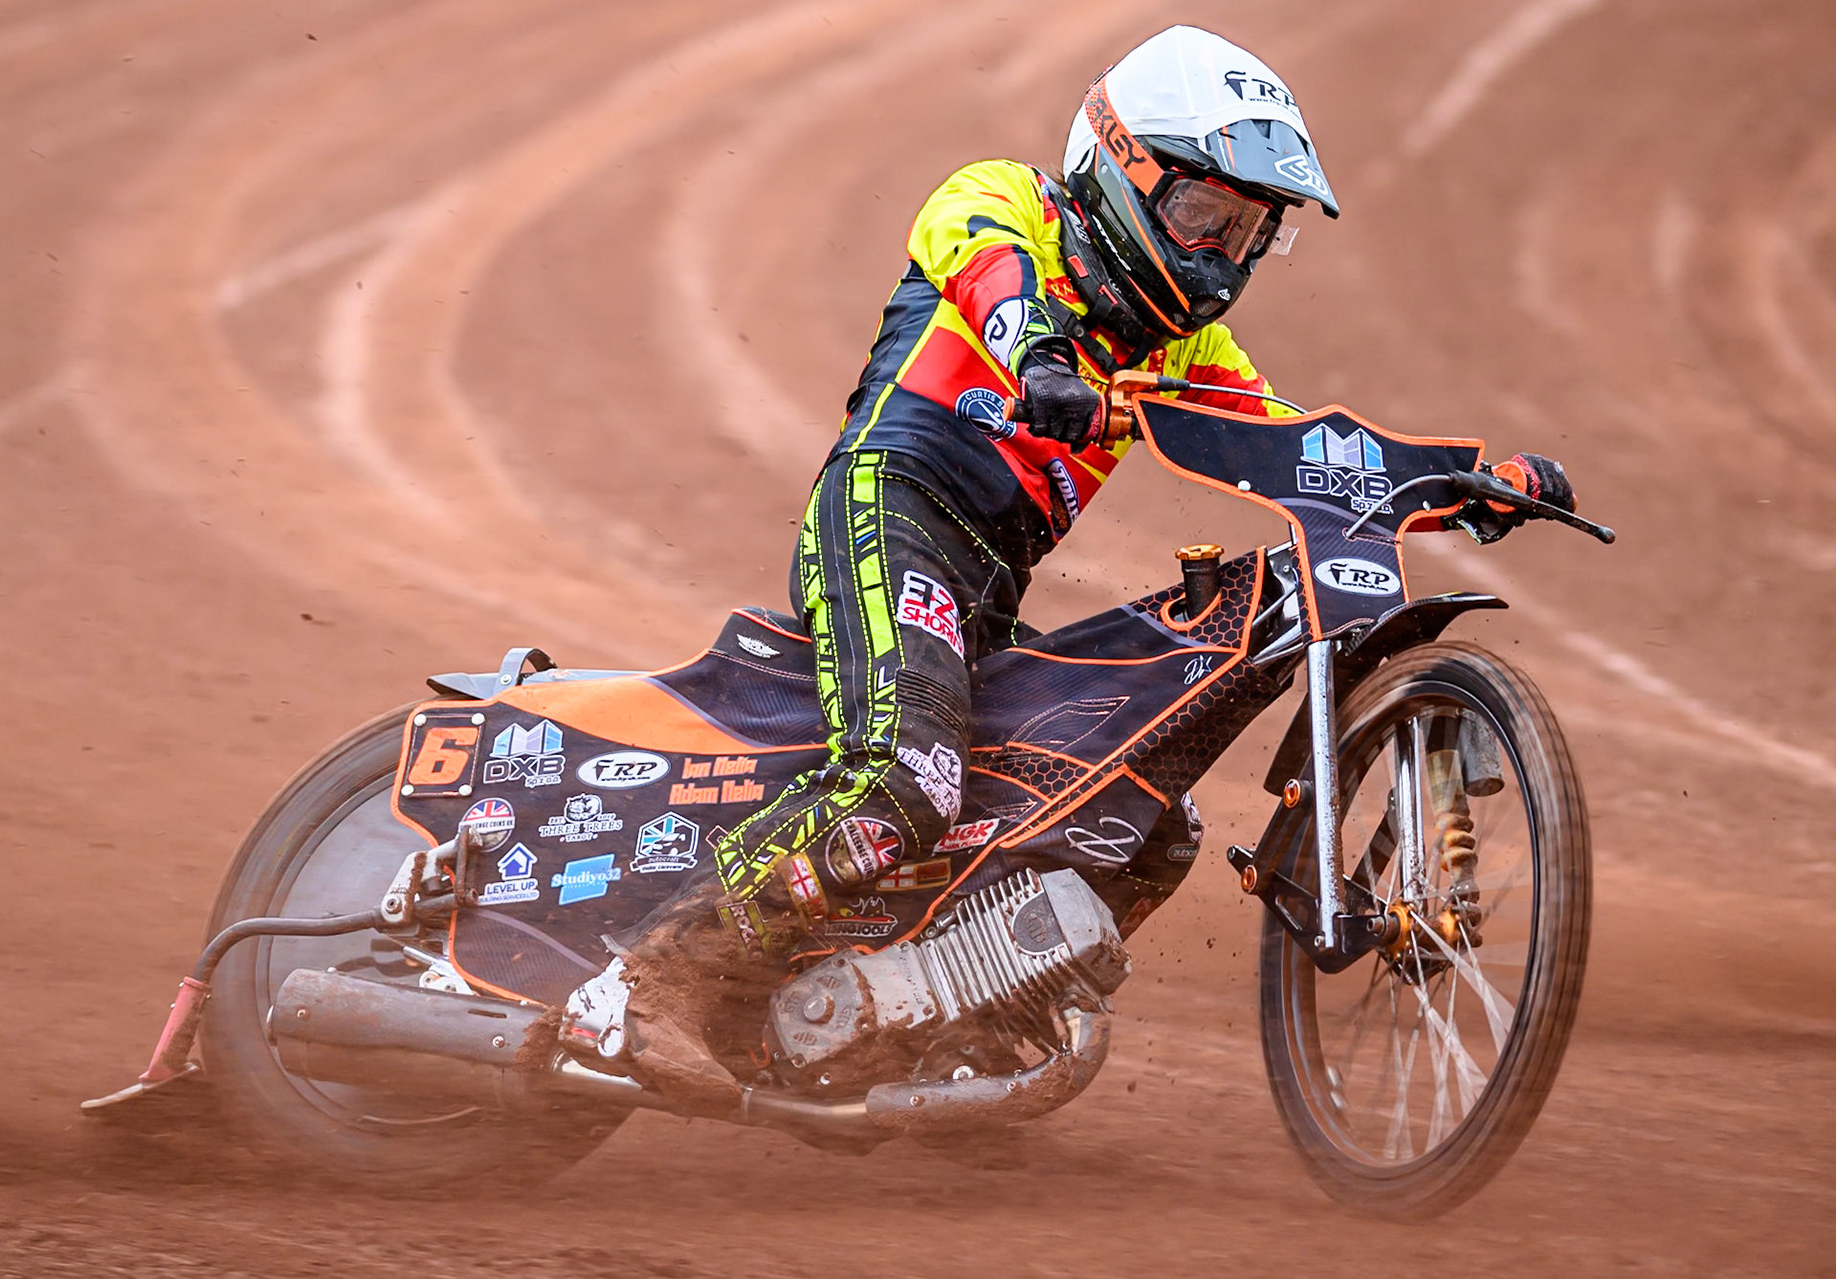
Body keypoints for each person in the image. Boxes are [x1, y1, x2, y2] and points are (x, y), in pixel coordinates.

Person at [557, 25, 1574, 1111]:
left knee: (1142, 822)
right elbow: (988, 273)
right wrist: (1041, 358)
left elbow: (1303, 453)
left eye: (1250, 234)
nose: (1222, 258)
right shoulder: (1006, 205)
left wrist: (1463, 481)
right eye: (1202, 219)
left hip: (986, 588)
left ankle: (935, 1021)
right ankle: (633, 990)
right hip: (888, 511)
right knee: (908, 782)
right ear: (1117, 163)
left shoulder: (1184, 355)